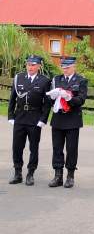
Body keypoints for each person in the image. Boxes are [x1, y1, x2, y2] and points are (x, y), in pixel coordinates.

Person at [7, 55, 51, 186]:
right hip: (20, 117)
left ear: (39, 66)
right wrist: (10, 116)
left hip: (34, 118)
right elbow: (12, 98)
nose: (30, 67)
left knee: (33, 147)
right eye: (28, 64)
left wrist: (43, 119)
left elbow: (47, 103)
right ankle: (17, 173)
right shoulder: (18, 78)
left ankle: (30, 173)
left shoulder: (44, 81)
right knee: (17, 147)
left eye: (33, 65)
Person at [46, 57, 88, 188]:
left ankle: (70, 176)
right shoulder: (56, 79)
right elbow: (50, 101)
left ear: (74, 66)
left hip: (72, 119)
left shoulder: (81, 80)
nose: (65, 70)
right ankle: (58, 175)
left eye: (68, 67)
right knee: (57, 148)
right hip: (58, 118)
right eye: (63, 68)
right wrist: (52, 97)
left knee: (71, 148)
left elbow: (81, 99)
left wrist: (69, 97)